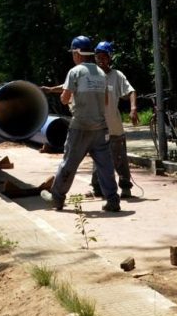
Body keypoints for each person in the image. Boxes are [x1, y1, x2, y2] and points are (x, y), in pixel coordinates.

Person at [40, 35, 121, 212]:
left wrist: (66, 98)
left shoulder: (75, 72)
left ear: (77, 53)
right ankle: (113, 200)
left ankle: (57, 198)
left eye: (73, 53)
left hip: (80, 127)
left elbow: (65, 98)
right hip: (101, 128)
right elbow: (106, 101)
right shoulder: (101, 73)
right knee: (105, 165)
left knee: (69, 163)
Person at [89, 41, 138, 199]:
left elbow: (131, 91)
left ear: (110, 58)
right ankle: (97, 187)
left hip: (114, 127)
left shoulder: (117, 76)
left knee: (120, 159)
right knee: (98, 158)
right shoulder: (90, 76)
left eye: (104, 57)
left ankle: (125, 187)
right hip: (97, 127)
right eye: (98, 57)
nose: (101, 60)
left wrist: (133, 108)